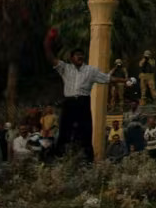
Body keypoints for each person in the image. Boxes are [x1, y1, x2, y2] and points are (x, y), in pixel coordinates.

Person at [44, 26, 113, 158]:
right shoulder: (65, 68)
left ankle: (89, 161)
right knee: (64, 132)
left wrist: (124, 80)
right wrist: (47, 41)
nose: (80, 57)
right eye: (77, 55)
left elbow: (108, 78)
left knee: (86, 132)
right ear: (71, 58)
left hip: (83, 102)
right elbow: (50, 57)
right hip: (69, 102)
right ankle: (59, 159)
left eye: (82, 55)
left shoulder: (90, 70)